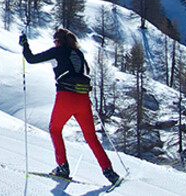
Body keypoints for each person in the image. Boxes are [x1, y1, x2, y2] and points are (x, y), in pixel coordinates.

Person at [21, 27, 120, 185]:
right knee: (91, 136)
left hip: (65, 97)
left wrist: (25, 45)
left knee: (55, 129)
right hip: (83, 99)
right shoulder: (79, 54)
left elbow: (31, 59)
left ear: (58, 41)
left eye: (55, 41)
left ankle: (62, 167)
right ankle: (109, 171)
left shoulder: (57, 51)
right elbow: (85, 72)